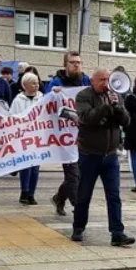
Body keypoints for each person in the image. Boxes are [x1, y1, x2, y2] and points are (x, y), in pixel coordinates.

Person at [71, 69, 135, 247]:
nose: (106, 83)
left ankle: (117, 232)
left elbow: (126, 121)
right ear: (93, 81)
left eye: (108, 79)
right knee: (84, 194)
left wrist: (117, 107)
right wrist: (107, 107)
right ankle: (78, 227)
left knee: (114, 196)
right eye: (102, 80)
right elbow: (86, 118)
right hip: (89, 154)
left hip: (111, 156)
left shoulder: (115, 95)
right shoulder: (84, 96)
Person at [48, 51, 91, 217]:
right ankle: (78, 206)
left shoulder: (85, 80)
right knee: (73, 175)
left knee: (77, 174)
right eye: (72, 62)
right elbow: (45, 103)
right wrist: (54, 93)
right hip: (64, 137)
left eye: (78, 62)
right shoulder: (56, 82)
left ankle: (59, 198)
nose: (76, 65)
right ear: (65, 64)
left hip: (83, 136)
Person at [12, 72, 45, 205]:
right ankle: (24, 191)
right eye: (33, 83)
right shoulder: (18, 100)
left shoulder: (42, 98)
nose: (36, 85)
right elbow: (13, 116)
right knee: (25, 165)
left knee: (35, 166)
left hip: (37, 136)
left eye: (37, 83)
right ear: (25, 85)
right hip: (24, 136)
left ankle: (32, 193)